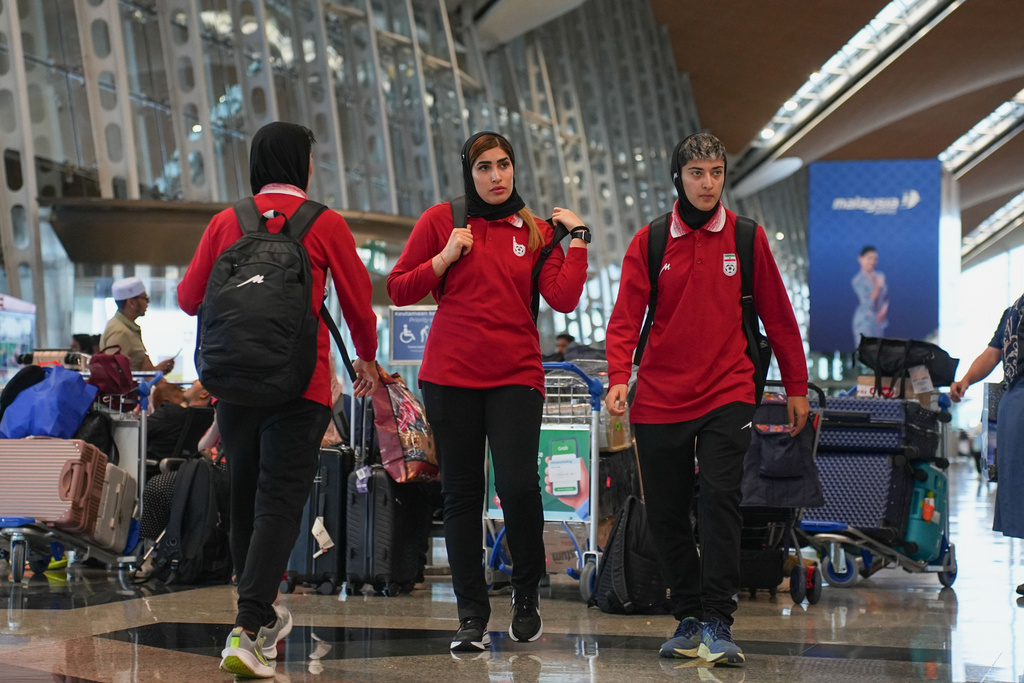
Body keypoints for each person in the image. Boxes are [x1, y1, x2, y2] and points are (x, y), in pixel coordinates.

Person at [177, 121, 379, 679]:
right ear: (302, 165)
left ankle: (257, 617)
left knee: (246, 495)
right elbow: (359, 301)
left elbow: (188, 298)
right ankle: (246, 628)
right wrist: (365, 357)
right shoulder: (325, 223)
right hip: (302, 385)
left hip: (234, 385)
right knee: (280, 501)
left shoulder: (227, 221)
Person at [604, 133, 809, 667]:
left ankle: (719, 619)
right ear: (679, 177)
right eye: (697, 173)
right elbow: (625, 317)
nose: (708, 183)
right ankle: (688, 617)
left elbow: (779, 318)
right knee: (667, 512)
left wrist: (796, 387)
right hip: (660, 396)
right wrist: (618, 376)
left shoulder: (746, 238)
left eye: (716, 172)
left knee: (720, 501)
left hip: (728, 388)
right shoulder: (649, 242)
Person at [387, 131, 589, 655]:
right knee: (461, 495)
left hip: (516, 375)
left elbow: (563, 298)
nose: (496, 176)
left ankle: (526, 597)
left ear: (514, 169)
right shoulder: (442, 220)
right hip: (450, 375)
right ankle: (471, 615)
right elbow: (399, 287)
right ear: (468, 172)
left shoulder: (538, 231)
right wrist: (443, 259)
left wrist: (580, 239)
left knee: (519, 486)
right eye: (484, 168)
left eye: (504, 165)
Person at [949, 293, 1024, 593]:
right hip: (1015, 398)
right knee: (1019, 484)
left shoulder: (1015, 311)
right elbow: (992, 354)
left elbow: (993, 355)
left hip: (1016, 401)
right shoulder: (1013, 312)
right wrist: (965, 379)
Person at [100, 277, 175, 373]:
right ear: (131, 302)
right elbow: (113, 374)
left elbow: (135, 370)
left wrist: (156, 371)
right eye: (145, 298)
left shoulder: (126, 327)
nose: (148, 302)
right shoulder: (119, 331)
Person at [851, 245, 888, 349]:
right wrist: (878, 286)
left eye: (875, 259)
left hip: (878, 322)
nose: (872, 261)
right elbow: (869, 301)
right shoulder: (858, 280)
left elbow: (885, 297)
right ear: (861, 259)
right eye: (869, 258)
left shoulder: (880, 276)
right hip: (864, 321)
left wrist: (884, 309)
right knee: (866, 352)